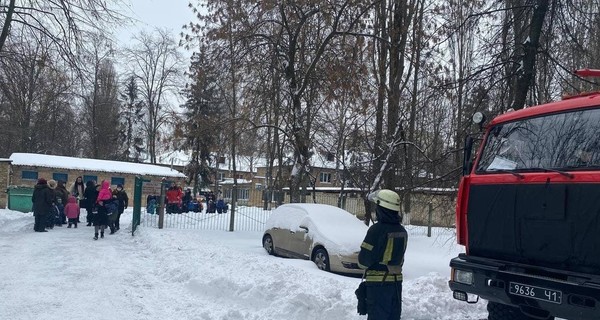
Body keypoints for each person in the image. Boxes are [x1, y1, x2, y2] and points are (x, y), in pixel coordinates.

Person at [358, 189, 408, 320]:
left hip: (378, 287)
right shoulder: (402, 231)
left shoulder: (376, 230)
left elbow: (363, 261)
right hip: (396, 286)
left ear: (382, 208)